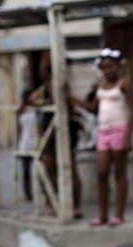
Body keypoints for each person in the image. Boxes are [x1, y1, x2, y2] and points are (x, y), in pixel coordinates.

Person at [80, 48, 133, 227]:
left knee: (119, 172)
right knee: (102, 172)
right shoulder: (100, 85)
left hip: (120, 130)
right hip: (103, 131)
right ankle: (103, 215)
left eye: (110, 66)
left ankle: (119, 214)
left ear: (118, 66)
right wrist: (72, 99)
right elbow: (93, 108)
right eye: (103, 67)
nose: (107, 70)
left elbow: (132, 111)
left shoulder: (124, 84)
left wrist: (129, 136)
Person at [29, 62, 83, 219]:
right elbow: (32, 100)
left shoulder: (60, 82)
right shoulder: (45, 86)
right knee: (49, 167)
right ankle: (55, 203)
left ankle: (74, 205)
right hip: (50, 129)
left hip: (63, 127)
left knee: (69, 167)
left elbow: (61, 101)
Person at [16, 88, 37, 202]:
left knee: (37, 170)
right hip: (25, 142)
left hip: (35, 142)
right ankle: (28, 194)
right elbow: (19, 129)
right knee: (26, 171)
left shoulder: (37, 109)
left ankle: (40, 192)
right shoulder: (21, 111)